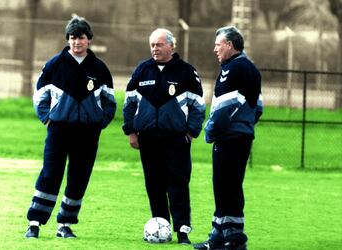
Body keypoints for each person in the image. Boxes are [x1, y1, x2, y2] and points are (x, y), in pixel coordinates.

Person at [25, 15, 116, 239]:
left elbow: (110, 101)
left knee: (79, 177)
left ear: (89, 40)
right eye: (73, 38)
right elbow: (40, 96)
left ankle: (64, 224)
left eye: (81, 38)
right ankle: (35, 222)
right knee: (50, 174)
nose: (77, 42)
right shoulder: (54, 65)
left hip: (87, 133)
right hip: (59, 130)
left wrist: (99, 123)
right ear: (68, 39)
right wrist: (47, 118)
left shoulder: (100, 69)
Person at [122, 28, 206, 244]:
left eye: (159, 44)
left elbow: (198, 106)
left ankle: (182, 231)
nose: (154, 49)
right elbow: (129, 104)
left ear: (171, 46)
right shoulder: (142, 70)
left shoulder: (186, 72)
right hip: (148, 138)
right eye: (152, 45)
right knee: (154, 184)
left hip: (176, 139)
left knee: (178, 184)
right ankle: (161, 226)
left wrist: (191, 132)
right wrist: (131, 131)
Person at [193, 26, 263, 250]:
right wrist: (246, 125)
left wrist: (210, 130)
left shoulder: (233, 68)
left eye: (218, 44)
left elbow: (225, 106)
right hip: (242, 135)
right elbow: (258, 107)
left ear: (230, 45)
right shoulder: (251, 68)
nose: (215, 49)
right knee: (230, 186)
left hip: (230, 136)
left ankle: (231, 239)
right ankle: (221, 236)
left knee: (224, 187)